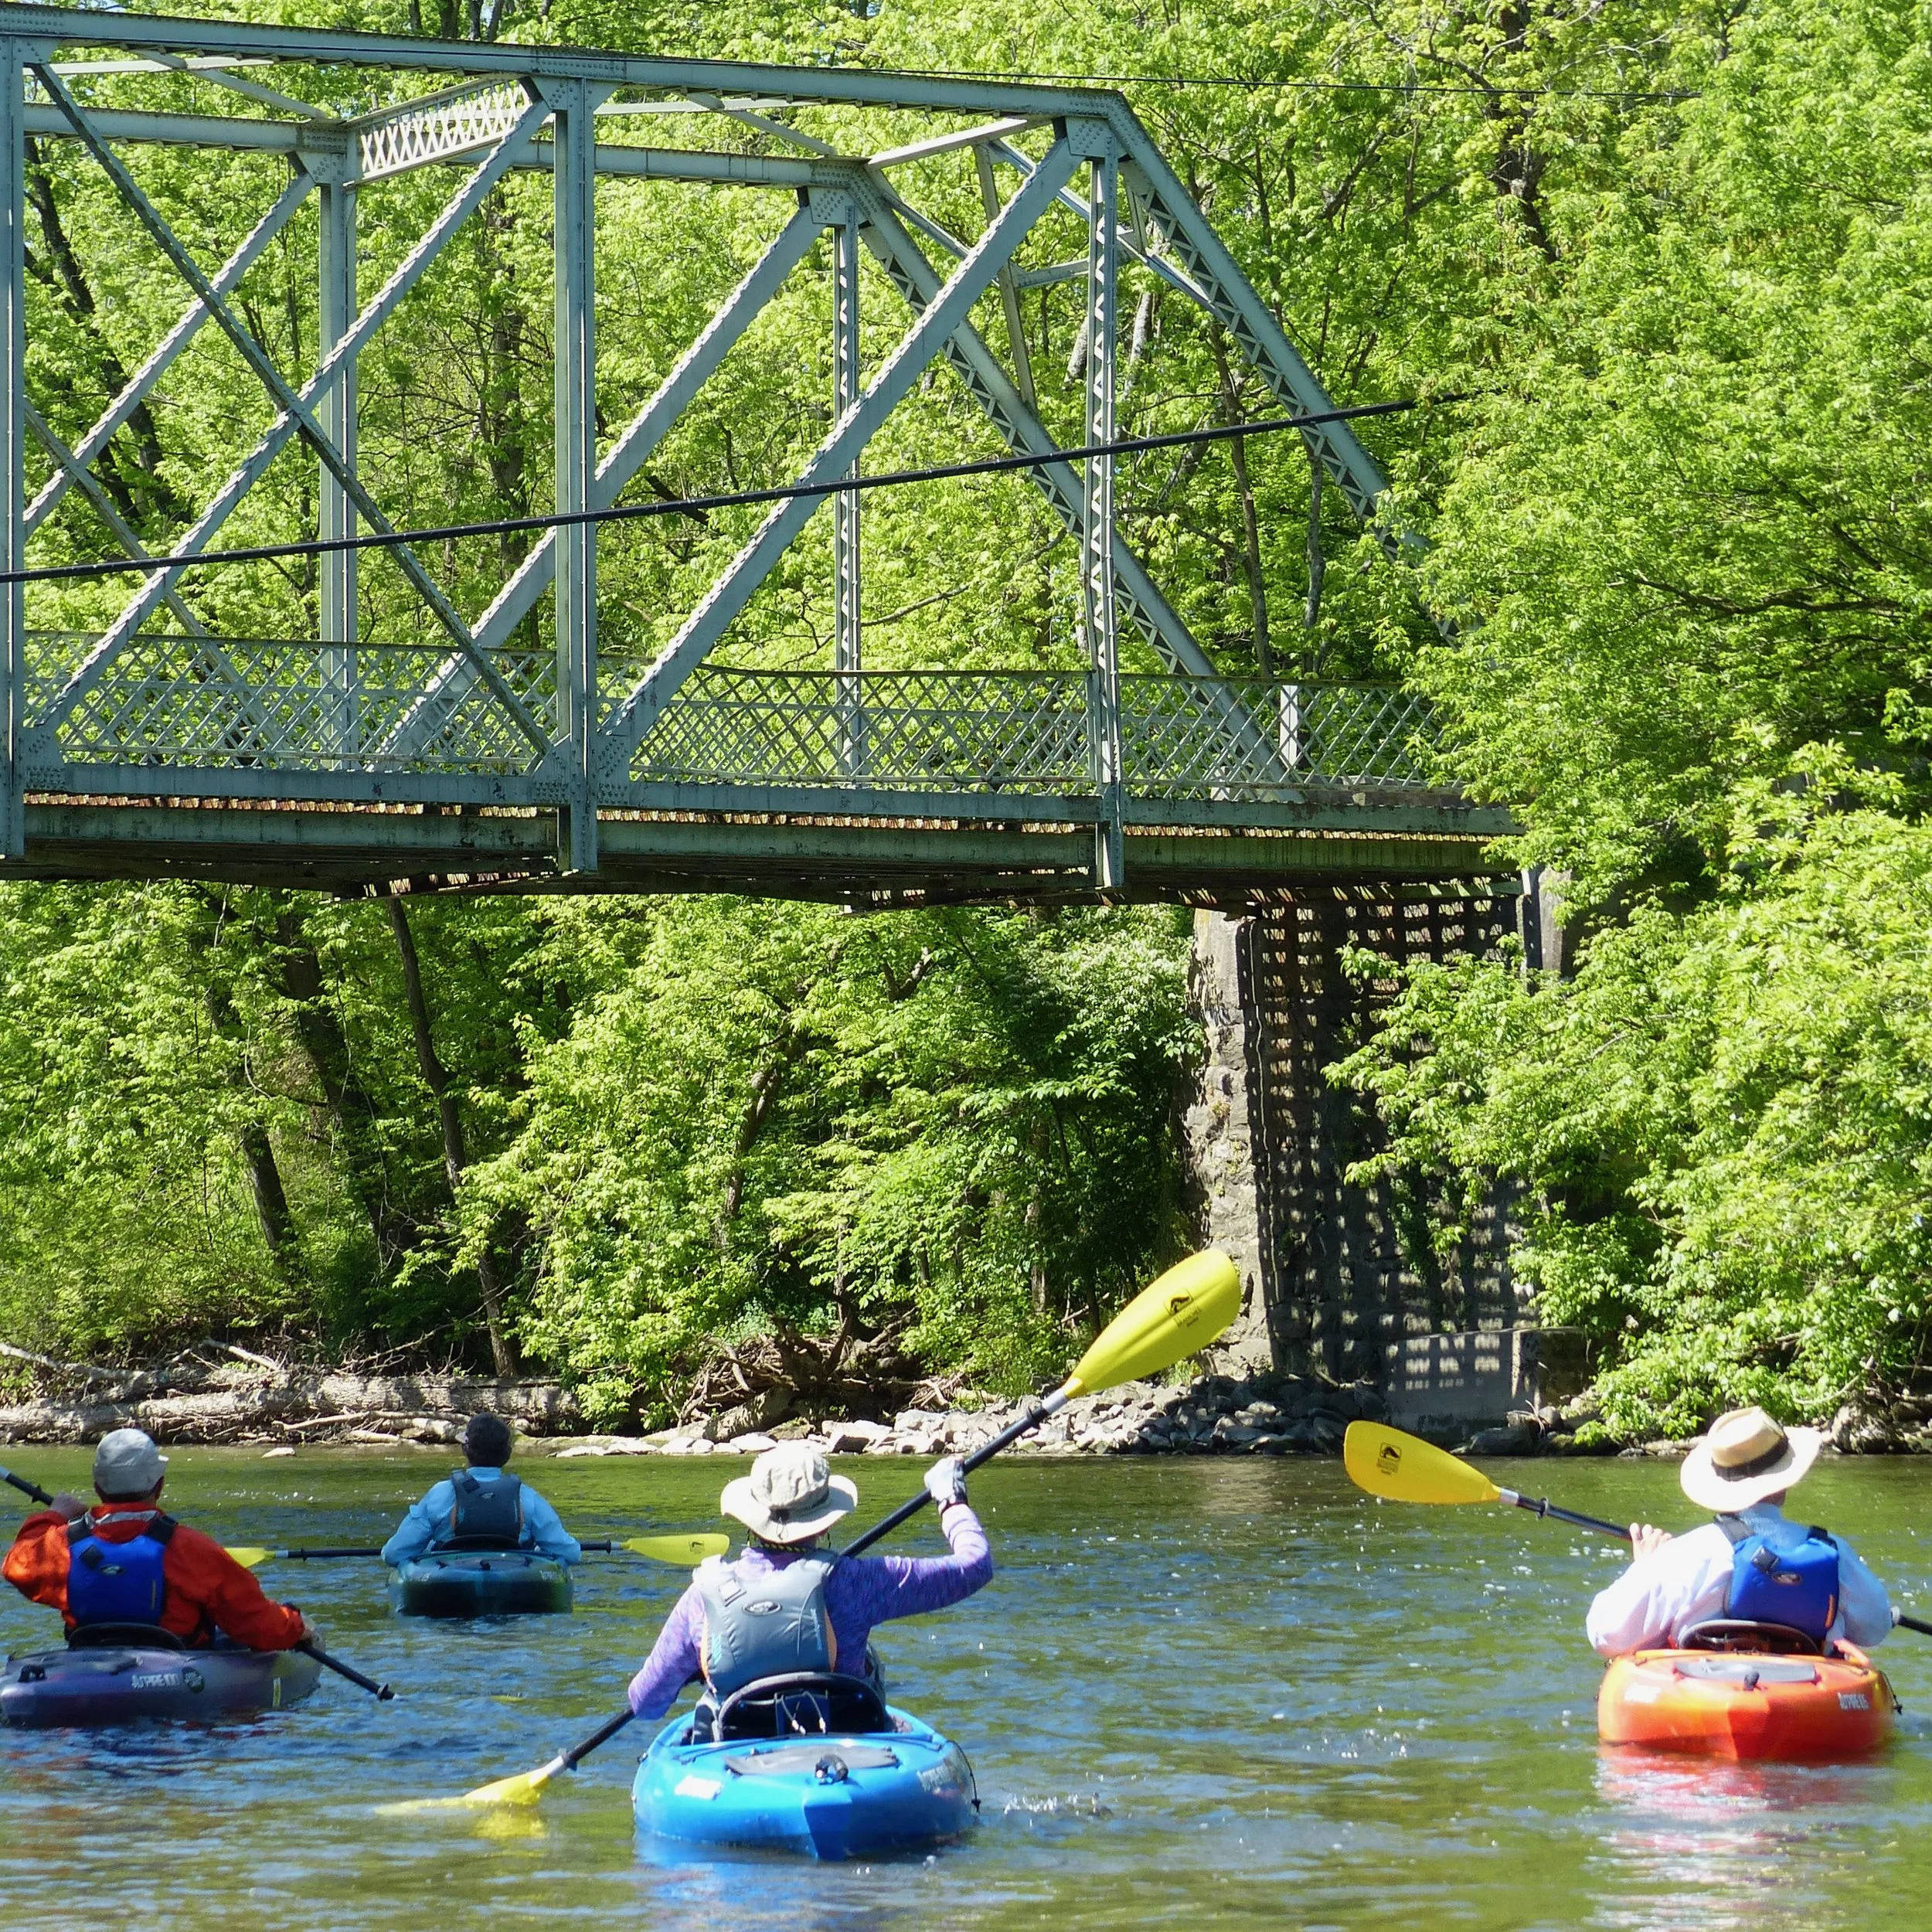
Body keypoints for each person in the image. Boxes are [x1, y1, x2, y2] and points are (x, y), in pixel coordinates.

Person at [625, 1440, 992, 1724]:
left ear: (749, 1518)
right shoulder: (856, 1582)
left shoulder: (702, 1597)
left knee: (708, 1699)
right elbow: (975, 1565)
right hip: (843, 1738)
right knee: (867, 1662)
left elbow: (645, 1703)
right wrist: (950, 1500)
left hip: (740, 1751)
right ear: (826, 1521)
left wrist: (698, 1666)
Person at [1586, 1406, 1893, 1656]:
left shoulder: (1686, 1554)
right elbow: (1875, 1628)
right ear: (1784, 1481)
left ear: (1719, 1482)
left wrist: (1643, 1568)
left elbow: (1607, 1634)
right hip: (1807, 1704)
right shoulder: (1832, 1552)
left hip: (1704, 1698)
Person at [2, 1427, 314, 1650]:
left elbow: (15, 1566)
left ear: (98, 1487)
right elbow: (258, 1624)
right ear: (159, 1485)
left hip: (88, 1665)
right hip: (176, 1677)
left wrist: (54, 1514)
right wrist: (295, 1624)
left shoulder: (63, 1544)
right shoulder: (191, 1548)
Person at [381, 1412, 580, 1567]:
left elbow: (394, 1554)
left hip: (451, 1582)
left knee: (429, 1546)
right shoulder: (527, 1498)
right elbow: (571, 1553)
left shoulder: (439, 1495)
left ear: (465, 1449)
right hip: (513, 1578)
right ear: (507, 1454)